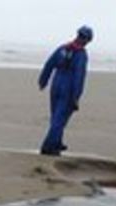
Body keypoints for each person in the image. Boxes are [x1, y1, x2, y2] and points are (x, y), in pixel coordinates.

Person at [38, 25, 92, 156]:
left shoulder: (63, 48)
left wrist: (43, 80)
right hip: (67, 88)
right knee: (60, 119)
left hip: (56, 84)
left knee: (55, 116)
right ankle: (48, 146)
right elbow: (79, 77)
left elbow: (49, 64)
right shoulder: (81, 55)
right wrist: (76, 97)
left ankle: (57, 142)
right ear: (87, 40)